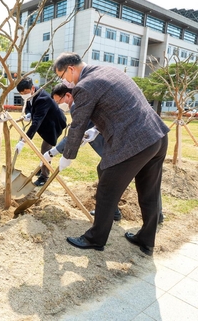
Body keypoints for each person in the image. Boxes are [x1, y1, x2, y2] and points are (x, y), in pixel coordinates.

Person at [53, 52, 170, 256]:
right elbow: (121, 106)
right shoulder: (110, 71)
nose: (64, 81)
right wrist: (96, 130)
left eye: (62, 76)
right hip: (157, 136)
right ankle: (146, 238)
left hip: (134, 143)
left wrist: (67, 156)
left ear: (71, 68)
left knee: (106, 188)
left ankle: (95, 239)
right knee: (149, 191)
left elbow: (78, 125)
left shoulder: (84, 86)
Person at [45, 83, 165, 224]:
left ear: (68, 95)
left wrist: (54, 152)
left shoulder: (81, 105)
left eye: (59, 101)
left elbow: (75, 133)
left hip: (124, 145)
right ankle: (154, 214)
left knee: (110, 173)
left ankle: (112, 212)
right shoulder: (89, 99)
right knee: (146, 178)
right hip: (136, 141)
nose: (60, 105)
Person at [14, 78, 67, 186]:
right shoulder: (31, 95)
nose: (23, 95)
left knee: (45, 150)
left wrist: (23, 141)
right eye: (21, 93)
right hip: (45, 121)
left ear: (32, 88)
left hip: (54, 124)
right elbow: (30, 107)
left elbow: (36, 123)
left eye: (25, 92)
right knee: (44, 151)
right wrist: (29, 114)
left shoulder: (43, 98)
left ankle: (44, 176)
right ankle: (42, 166)